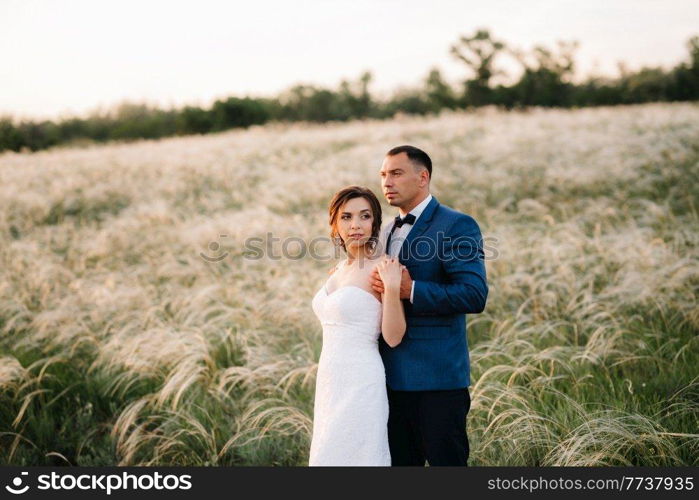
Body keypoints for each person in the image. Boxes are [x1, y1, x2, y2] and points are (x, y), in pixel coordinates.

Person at [371, 145, 488, 466]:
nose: (386, 182)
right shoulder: (381, 230)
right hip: (385, 380)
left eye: (396, 173)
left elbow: (473, 294)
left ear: (423, 177)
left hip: (436, 381)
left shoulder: (456, 225)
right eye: (383, 174)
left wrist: (411, 289)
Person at [309, 185, 406, 466]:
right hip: (330, 380)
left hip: (361, 379)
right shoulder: (339, 269)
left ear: (375, 222)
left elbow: (394, 336)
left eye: (364, 216)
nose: (356, 225)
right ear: (335, 224)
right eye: (347, 217)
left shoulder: (383, 266)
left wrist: (391, 287)